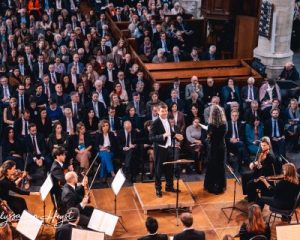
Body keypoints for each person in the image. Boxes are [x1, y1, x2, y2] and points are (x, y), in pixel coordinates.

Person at [149, 103, 184, 197]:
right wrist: (162, 136)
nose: (164, 113)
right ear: (158, 112)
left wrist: (176, 135)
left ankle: (169, 186)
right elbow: (151, 137)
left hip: (169, 148)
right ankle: (158, 189)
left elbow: (169, 132)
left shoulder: (168, 120)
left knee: (170, 169)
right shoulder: (155, 123)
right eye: (162, 111)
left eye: (166, 111)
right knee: (158, 170)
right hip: (160, 150)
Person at [241, 137, 279, 202]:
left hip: (264, 176)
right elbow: (257, 166)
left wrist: (258, 162)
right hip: (259, 172)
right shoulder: (262, 152)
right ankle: (250, 194)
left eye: (264, 145)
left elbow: (265, 170)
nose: (262, 147)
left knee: (250, 183)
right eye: (261, 145)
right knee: (244, 176)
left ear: (269, 145)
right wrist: (258, 162)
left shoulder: (270, 156)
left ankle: (252, 199)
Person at [204, 105, 227, 194]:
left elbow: (209, 138)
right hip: (221, 147)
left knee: (212, 166)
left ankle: (211, 186)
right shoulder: (224, 125)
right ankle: (220, 186)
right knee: (220, 167)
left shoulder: (211, 126)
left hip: (214, 148)